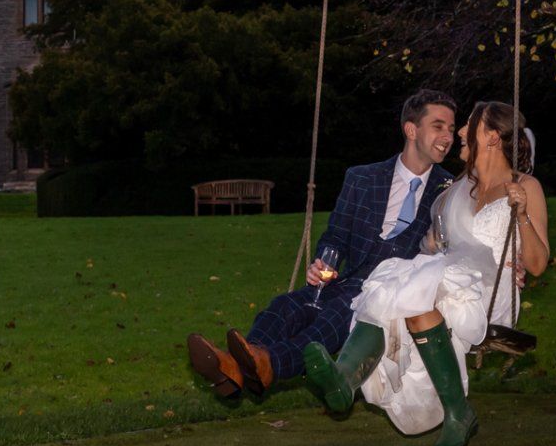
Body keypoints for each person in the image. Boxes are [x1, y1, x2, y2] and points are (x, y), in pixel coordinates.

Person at [303, 100, 550, 446]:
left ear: (493, 137)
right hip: (446, 281)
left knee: (415, 290)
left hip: (490, 295)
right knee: (395, 280)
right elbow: (432, 247)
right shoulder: (455, 189)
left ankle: (452, 410)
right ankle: (345, 379)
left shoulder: (526, 186)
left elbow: (538, 263)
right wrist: (429, 250)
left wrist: (522, 214)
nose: (460, 133)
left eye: (469, 125)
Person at [186, 90, 458, 402]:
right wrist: (322, 263)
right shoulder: (362, 178)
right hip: (344, 282)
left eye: (451, 129)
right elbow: (335, 237)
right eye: (439, 126)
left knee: (333, 319)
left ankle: (260, 366)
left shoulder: (448, 190)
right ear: (411, 129)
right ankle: (238, 366)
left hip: (387, 295)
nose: (447, 136)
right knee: (285, 306)